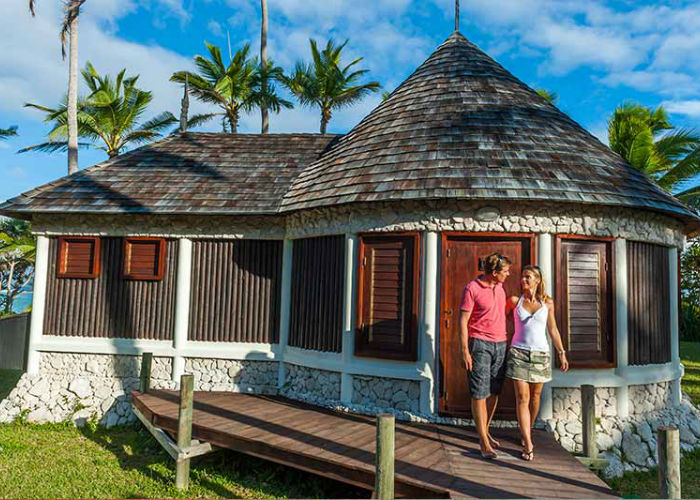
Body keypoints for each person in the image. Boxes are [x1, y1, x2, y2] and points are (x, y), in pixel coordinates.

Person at [505, 265, 569, 461]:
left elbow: (553, 330)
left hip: (541, 355)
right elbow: (502, 319)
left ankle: (528, 430)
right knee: (522, 398)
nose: (523, 280)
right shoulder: (514, 301)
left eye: (528, 277)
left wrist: (562, 353)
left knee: (535, 396)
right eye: (522, 277)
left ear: (537, 280)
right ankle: (528, 443)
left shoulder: (547, 303)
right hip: (518, 353)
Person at [459, 252, 512, 459]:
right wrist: (465, 350)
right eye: (505, 271)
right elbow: (463, 321)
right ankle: (483, 442)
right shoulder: (472, 289)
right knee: (479, 393)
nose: (508, 274)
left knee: (494, 392)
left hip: (501, 344)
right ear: (494, 272)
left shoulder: (500, 287)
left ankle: (486, 431)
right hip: (479, 344)